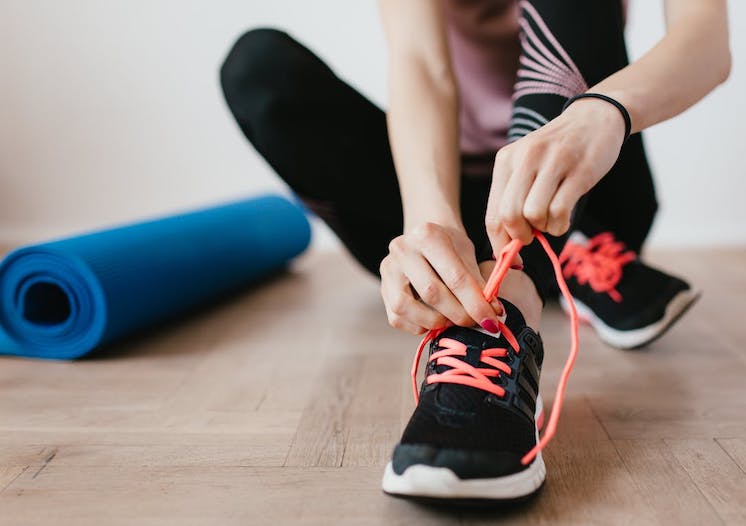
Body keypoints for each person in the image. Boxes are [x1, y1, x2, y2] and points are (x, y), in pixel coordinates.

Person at [220, 0, 730, 505]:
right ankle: (525, 270)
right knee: (259, 68)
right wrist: (431, 224)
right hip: (460, 192)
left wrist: (603, 112)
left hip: (586, 182)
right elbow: (422, 65)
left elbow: (706, 45)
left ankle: (515, 290)